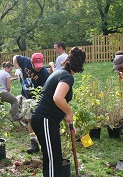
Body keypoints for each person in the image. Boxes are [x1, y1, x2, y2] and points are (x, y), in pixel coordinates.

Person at [31, 47, 86, 177]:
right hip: (45, 119)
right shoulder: (66, 76)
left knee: (54, 158)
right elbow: (57, 98)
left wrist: (67, 120)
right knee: (53, 161)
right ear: (81, 64)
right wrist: (70, 113)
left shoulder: (60, 72)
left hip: (47, 120)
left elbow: (54, 101)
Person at [13, 53, 49, 154]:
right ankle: (34, 143)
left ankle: (44, 142)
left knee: (39, 121)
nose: (38, 69)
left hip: (37, 99)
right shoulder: (25, 61)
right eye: (35, 66)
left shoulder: (44, 73)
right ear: (31, 62)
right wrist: (17, 69)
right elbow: (15, 57)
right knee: (29, 120)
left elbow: (46, 91)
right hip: (26, 96)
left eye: (40, 66)